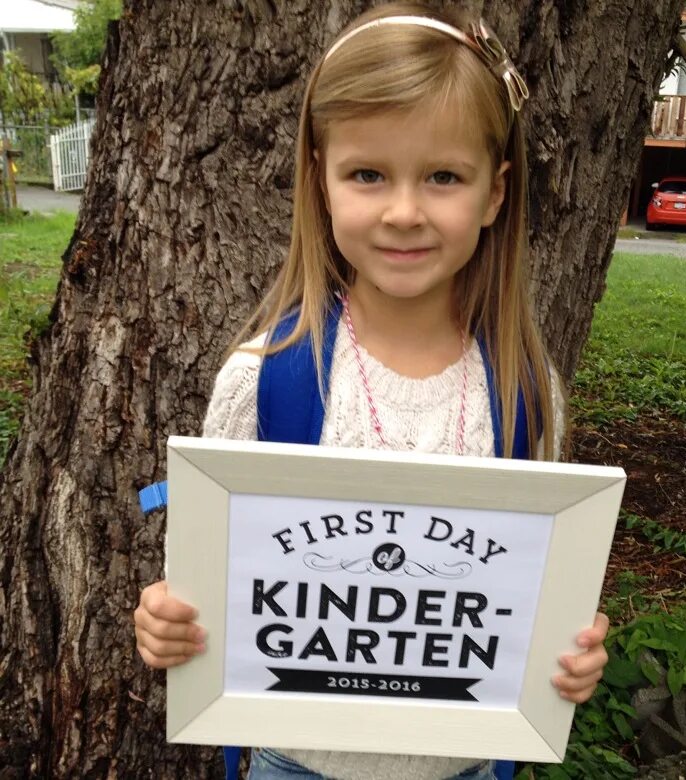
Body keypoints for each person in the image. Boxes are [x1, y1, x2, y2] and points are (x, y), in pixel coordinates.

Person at [134, 4, 610, 779]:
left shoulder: (526, 391)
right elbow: (209, 586)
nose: (403, 211)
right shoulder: (265, 378)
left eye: (444, 177)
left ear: (495, 193)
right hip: (294, 765)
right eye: (367, 174)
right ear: (319, 179)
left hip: (466, 768)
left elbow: (530, 587)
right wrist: (168, 623)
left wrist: (568, 649)